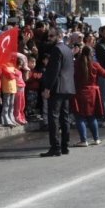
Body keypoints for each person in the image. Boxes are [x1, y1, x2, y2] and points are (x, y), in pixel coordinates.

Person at [40, 27, 76, 157]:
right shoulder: (67, 49)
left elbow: (54, 71)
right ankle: (65, 146)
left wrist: (48, 88)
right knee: (64, 117)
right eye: (48, 36)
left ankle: (55, 147)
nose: (49, 39)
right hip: (67, 87)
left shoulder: (57, 49)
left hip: (58, 87)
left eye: (51, 36)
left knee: (54, 117)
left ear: (59, 36)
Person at [71, 45, 105, 147]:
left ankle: (83, 140)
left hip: (79, 92)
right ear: (92, 54)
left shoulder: (75, 64)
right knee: (91, 116)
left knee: (80, 117)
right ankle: (96, 139)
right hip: (92, 92)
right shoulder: (95, 64)